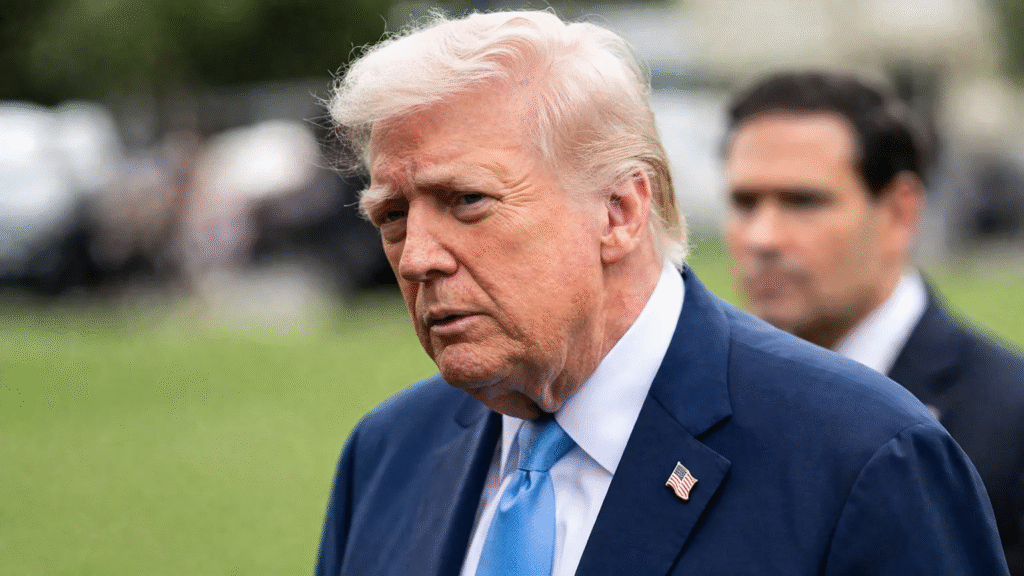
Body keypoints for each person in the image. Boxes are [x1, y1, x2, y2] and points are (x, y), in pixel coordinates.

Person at [317, 12, 1008, 575]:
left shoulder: (863, 457)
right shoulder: (386, 455)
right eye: (393, 216)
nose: (418, 258)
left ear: (619, 212)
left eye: (467, 199)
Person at [723, 69, 1024, 573]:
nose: (762, 237)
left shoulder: (1010, 417)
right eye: (744, 202)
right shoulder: (705, 400)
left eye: (803, 202)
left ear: (900, 212)